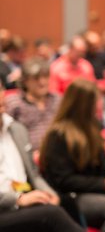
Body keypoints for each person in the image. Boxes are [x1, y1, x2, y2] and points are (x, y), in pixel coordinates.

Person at [40, 79, 105, 232]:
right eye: (95, 102)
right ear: (83, 105)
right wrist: (104, 183)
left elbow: (102, 161)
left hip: (94, 190)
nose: (98, 106)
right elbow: (64, 180)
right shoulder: (59, 134)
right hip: (72, 196)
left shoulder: (92, 125)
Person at [0, 78, 84, 232]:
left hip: (23, 196)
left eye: (0, 89)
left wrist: (49, 194)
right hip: (4, 209)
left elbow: (33, 174)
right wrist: (19, 199)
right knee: (52, 214)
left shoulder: (17, 129)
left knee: (65, 202)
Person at [6, 58, 61, 157]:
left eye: (45, 76)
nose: (42, 82)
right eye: (36, 78)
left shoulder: (57, 99)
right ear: (25, 81)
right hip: (27, 158)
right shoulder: (14, 103)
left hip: (58, 155)